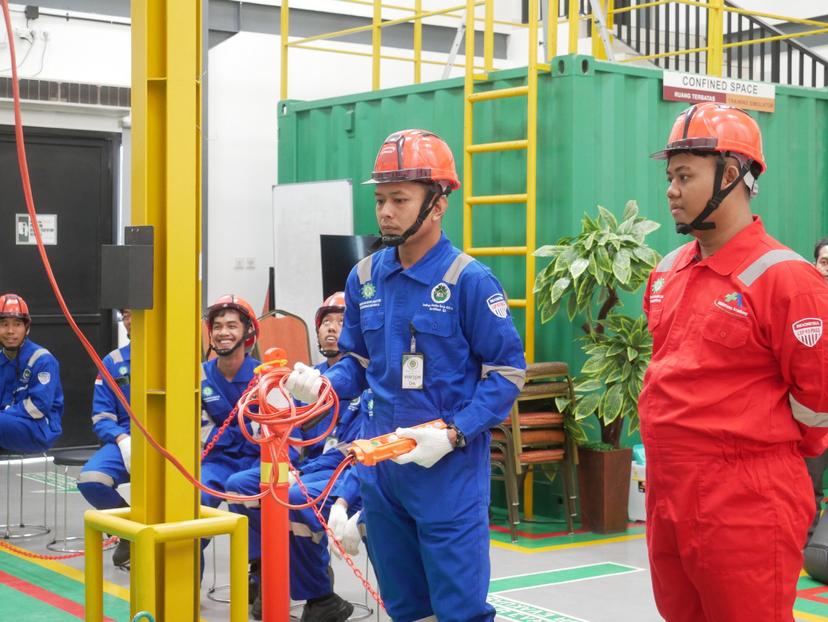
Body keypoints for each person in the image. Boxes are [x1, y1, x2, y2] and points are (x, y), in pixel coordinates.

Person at [286, 129, 526, 621]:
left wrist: (456, 433)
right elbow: (359, 362)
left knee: (458, 610)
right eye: (379, 199)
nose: (385, 212)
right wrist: (327, 383)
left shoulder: (469, 281)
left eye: (399, 199)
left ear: (437, 205)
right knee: (404, 607)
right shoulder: (365, 276)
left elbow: (507, 373)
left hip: (447, 473)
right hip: (380, 469)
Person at [641, 102, 828, 621]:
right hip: (669, 491)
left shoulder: (788, 280)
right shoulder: (667, 272)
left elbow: (818, 404)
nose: (671, 190)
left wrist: (757, 459)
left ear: (731, 176)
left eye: (684, 175)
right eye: (669, 176)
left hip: (746, 500)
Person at [226, 292, 365, 621]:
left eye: (341, 322)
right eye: (326, 323)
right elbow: (292, 430)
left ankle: (318, 593)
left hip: (344, 472)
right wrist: (280, 454)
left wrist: (298, 471)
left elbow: (352, 451)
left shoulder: (366, 383)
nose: (332, 329)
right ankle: (268, 574)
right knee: (240, 486)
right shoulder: (306, 379)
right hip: (307, 466)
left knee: (288, 498)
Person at [199, 295, 261, 569]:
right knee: (194, 499)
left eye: (232, 326)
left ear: (248, 332)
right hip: (216, 461)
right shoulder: (198, 376)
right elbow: (195, 425)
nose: (223, 332)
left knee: (251, 498)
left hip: (257, 462)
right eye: (218, 326)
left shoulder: (265, 377)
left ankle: (259, 571)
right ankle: (185, 574)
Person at [77, 309, 133, 567]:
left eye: (138, 314)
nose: (132, 321)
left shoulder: (177, 356)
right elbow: (101, 416)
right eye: (128, 315)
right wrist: (121, 438)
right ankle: (128, 531)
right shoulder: (112, 362)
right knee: (90, 480)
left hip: (170, 443)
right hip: (126, 442)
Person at [0, 293, 63, 453]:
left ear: (27, 328)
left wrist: (7, 412)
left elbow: (39, 407)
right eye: (4, 324)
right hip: (8, 424)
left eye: (17, 324)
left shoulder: (43, 360)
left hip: (39, 428)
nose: (10, 331)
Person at [805, 238, 828, 540]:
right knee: (809, 482)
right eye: (825, 262)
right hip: (815, 415)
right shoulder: (803, 305)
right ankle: (808, 543)